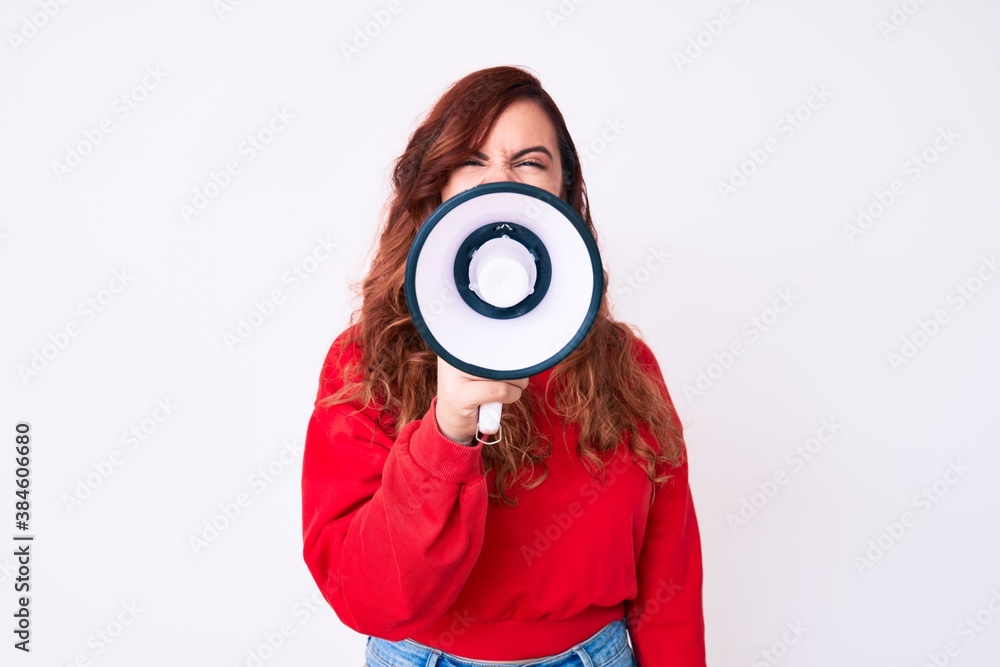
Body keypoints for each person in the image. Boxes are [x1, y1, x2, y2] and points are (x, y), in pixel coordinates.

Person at [300, 65, 706, 667]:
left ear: (564, 191)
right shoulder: (363, 365)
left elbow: (670, 579)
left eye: (529, 162)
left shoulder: (627, 368)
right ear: (436, 186)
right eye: (472, 159)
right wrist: (444, 436)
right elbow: (365, 595)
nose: (500, 183)